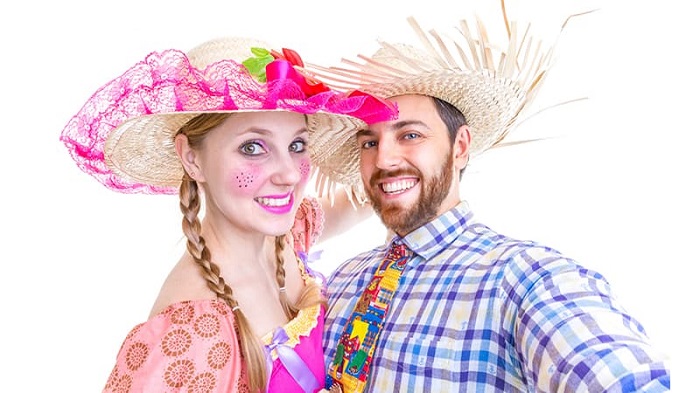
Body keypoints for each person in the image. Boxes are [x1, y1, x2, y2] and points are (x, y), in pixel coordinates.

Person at [306, 5, 672, 393]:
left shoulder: (526, 278)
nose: (384, 159)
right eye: (369, 142)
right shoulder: (342, 280)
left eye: (410, 135)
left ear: (460, 146)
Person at [59, 36, 396, 393]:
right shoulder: (191, 330)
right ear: (192, 158)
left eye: (296, 145)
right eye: (253, 147)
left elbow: (360, 200)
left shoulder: (284, 240)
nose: (291, 175)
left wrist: (422, 157)